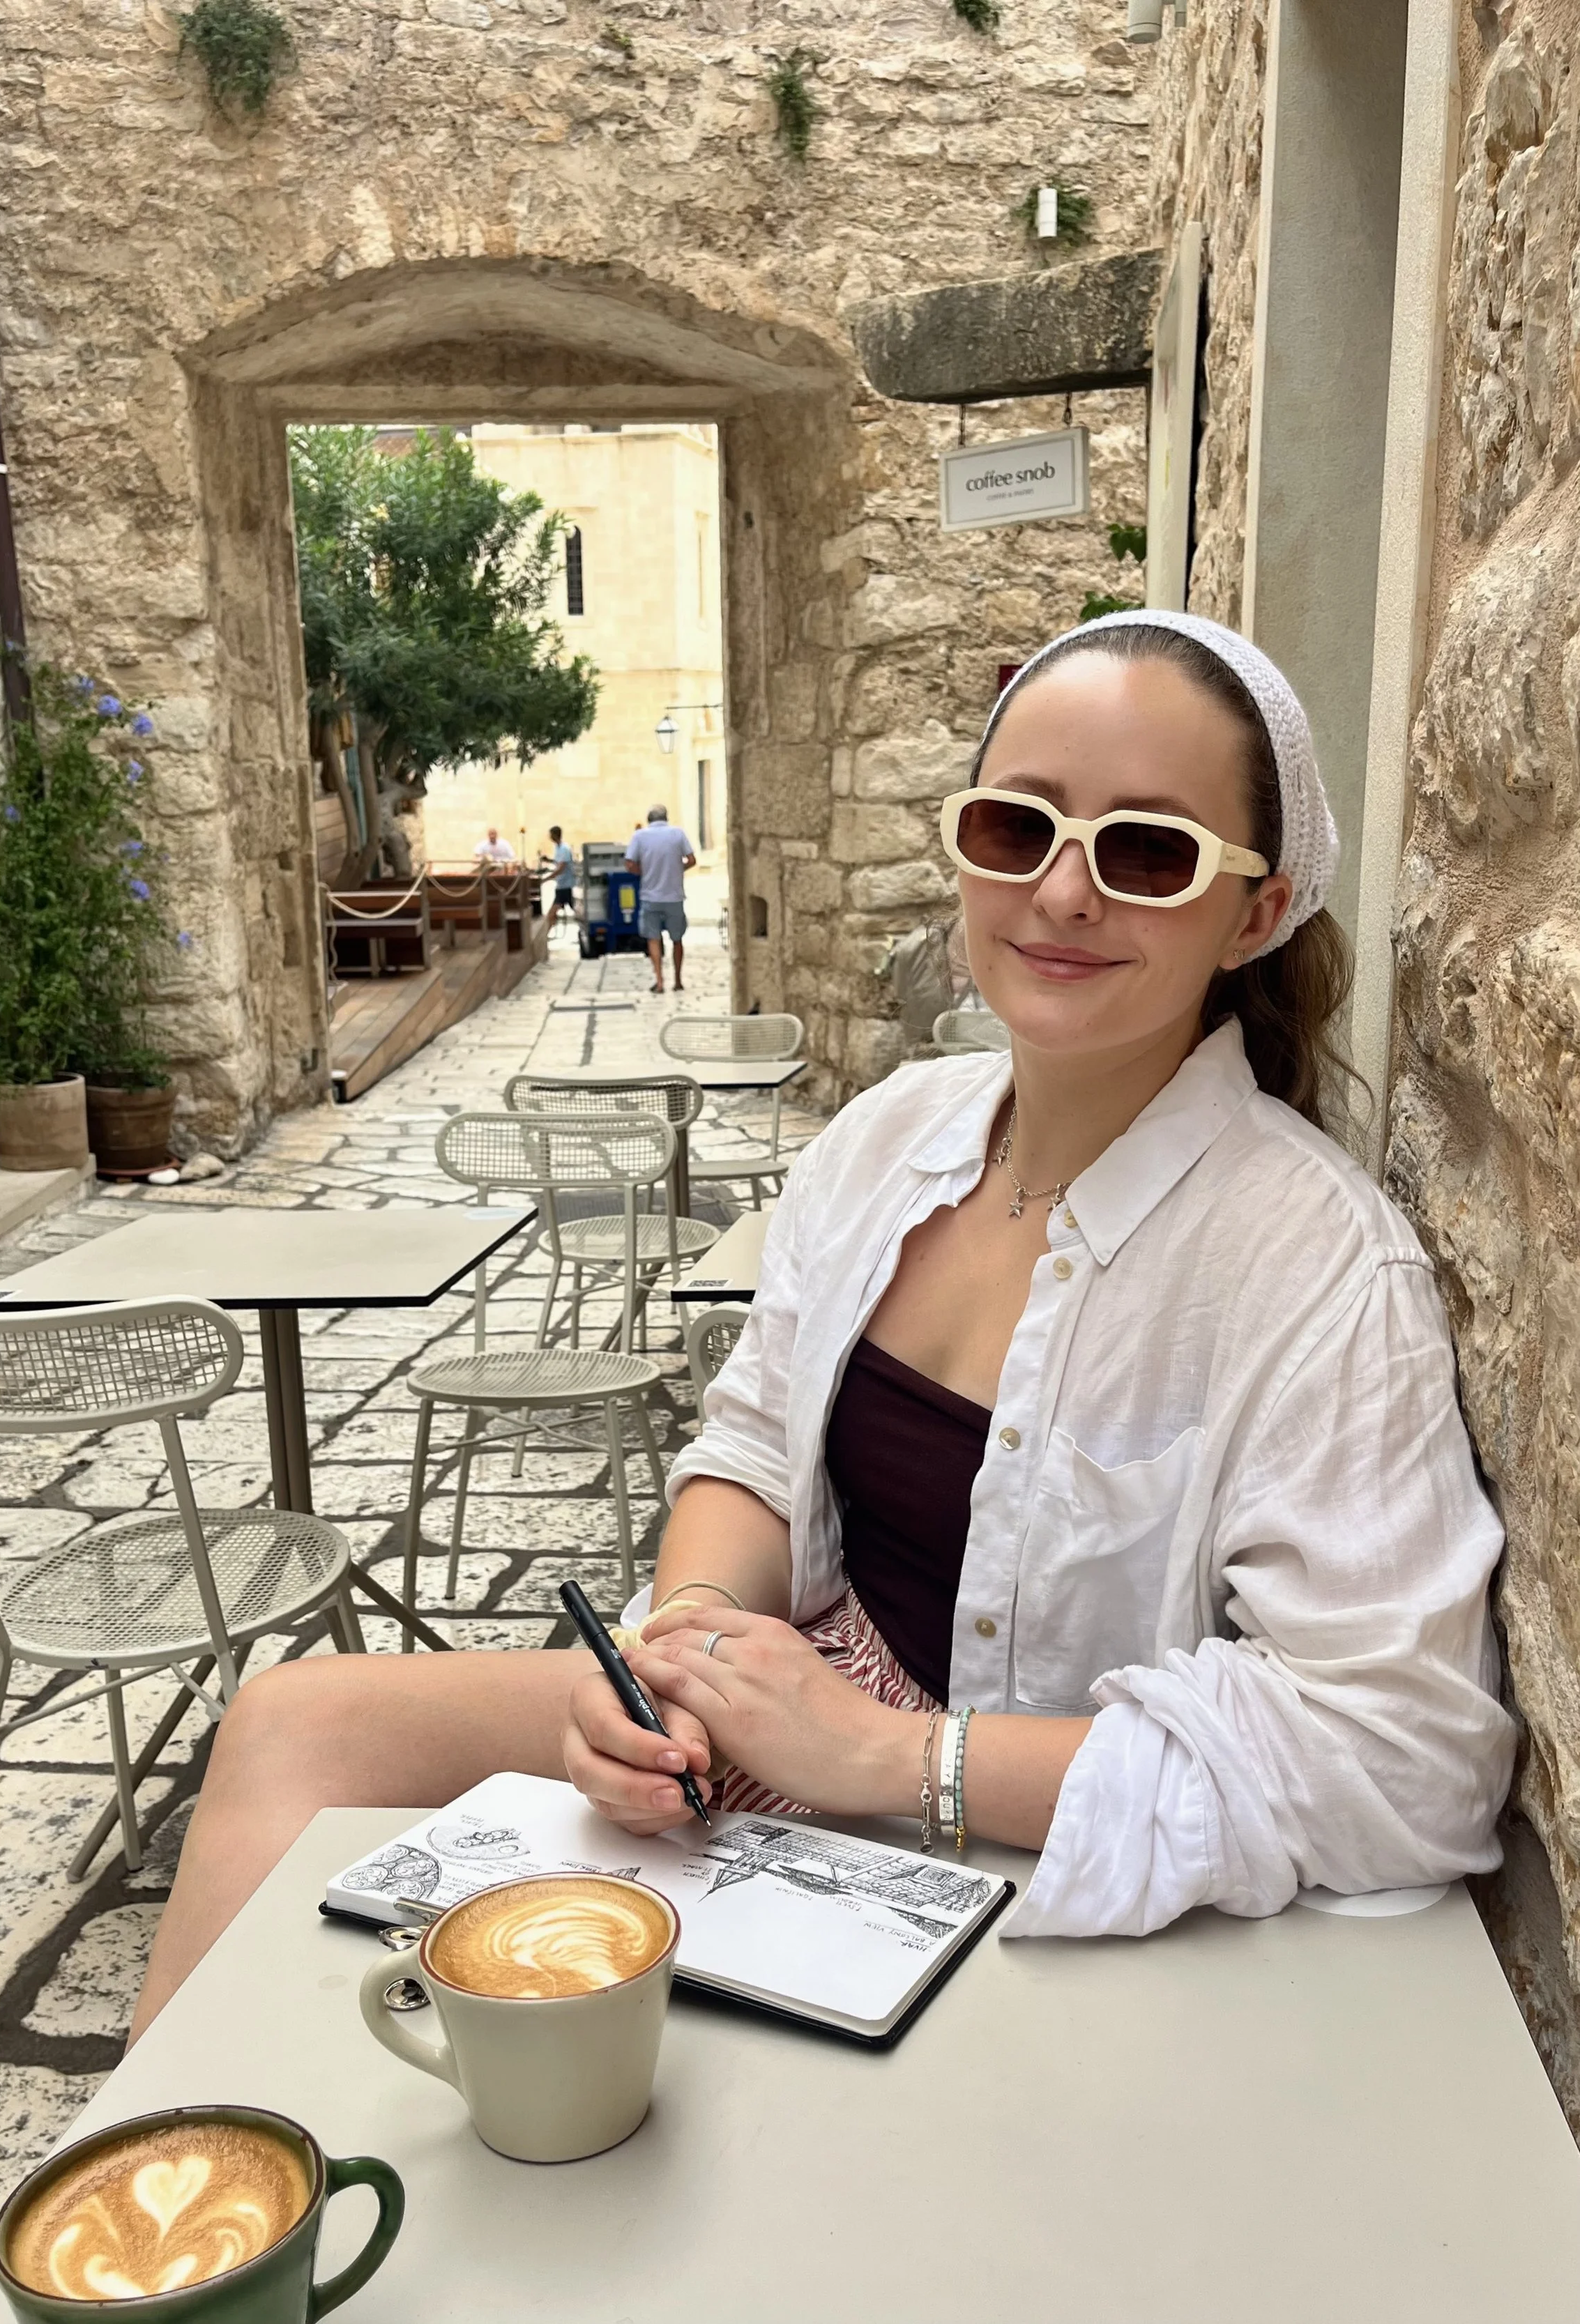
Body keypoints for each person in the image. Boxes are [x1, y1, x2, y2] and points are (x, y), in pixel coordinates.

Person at [129, 611, 1513, 2039]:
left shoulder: (1313, 1266)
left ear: (1253, 909)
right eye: (1015, 824)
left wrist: (902, 1757)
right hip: (781, 1711)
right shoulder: (886, 1139)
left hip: (990, 1817)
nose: (1062, 892)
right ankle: (187, 2200)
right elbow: (748, 1435)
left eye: (1145, 851)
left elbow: (1401, 1756)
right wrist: (684, 1641)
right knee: (293, 1719)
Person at [624, 804, 695, 993]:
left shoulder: (639, 836)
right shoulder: (678, 834)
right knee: (677, 939)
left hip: (650, 896)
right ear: (666, 818)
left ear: (649, 820)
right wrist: (677, 871)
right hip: (674, 895)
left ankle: (660, 981)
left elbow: (629, 863)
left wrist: (643, 873)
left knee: (653, 939)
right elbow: (692, 860)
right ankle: (678, 980)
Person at [542, 825, 575, 929]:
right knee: (553, 914)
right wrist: (549, 860)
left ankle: (546, 937)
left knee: (551, 915)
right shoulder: (558, 848)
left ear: (555, 835)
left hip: (566, 886)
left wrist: (546, 879)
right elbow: (558, 862)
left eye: (551, 835)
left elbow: (561, 868)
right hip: (561, 885)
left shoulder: (564, 848)